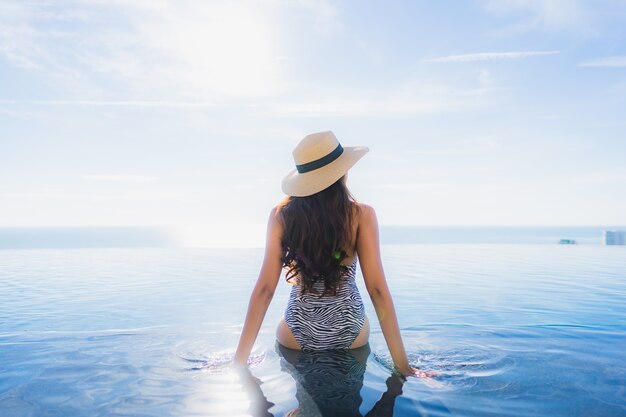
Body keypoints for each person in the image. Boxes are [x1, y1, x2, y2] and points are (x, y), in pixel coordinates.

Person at [232, 130, 437, 378]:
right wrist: (404, 367)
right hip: (351, 334)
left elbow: (265, 290)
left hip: (297, 334)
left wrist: (238, 363)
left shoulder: (281, 216)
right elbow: (378, 291)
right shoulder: (362, 215)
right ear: (342, 171)